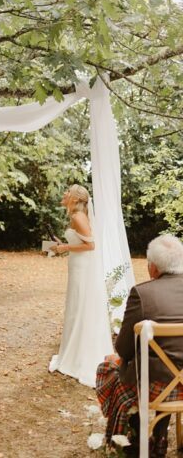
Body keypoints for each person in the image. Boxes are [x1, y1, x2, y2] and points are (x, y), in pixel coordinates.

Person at [96, 235, 183, 456]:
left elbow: (123, 349)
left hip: (155, 387)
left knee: (114, 368)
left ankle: (134, 442)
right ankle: (160, 438)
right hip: (179, 383)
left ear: (153, 267)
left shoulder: (143, 293)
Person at [48, 185, 113, 387]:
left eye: (68, 192)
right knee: (76, 307)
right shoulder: (76, 215)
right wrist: (62, 245)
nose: (64, 194)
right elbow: (82, 241)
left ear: (75, 199)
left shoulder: (78, 217)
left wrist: (65, 247)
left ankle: (79, 357)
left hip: (82, 268)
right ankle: (74, 350)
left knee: (79, 307)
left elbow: (91, 245)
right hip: (77, 265)